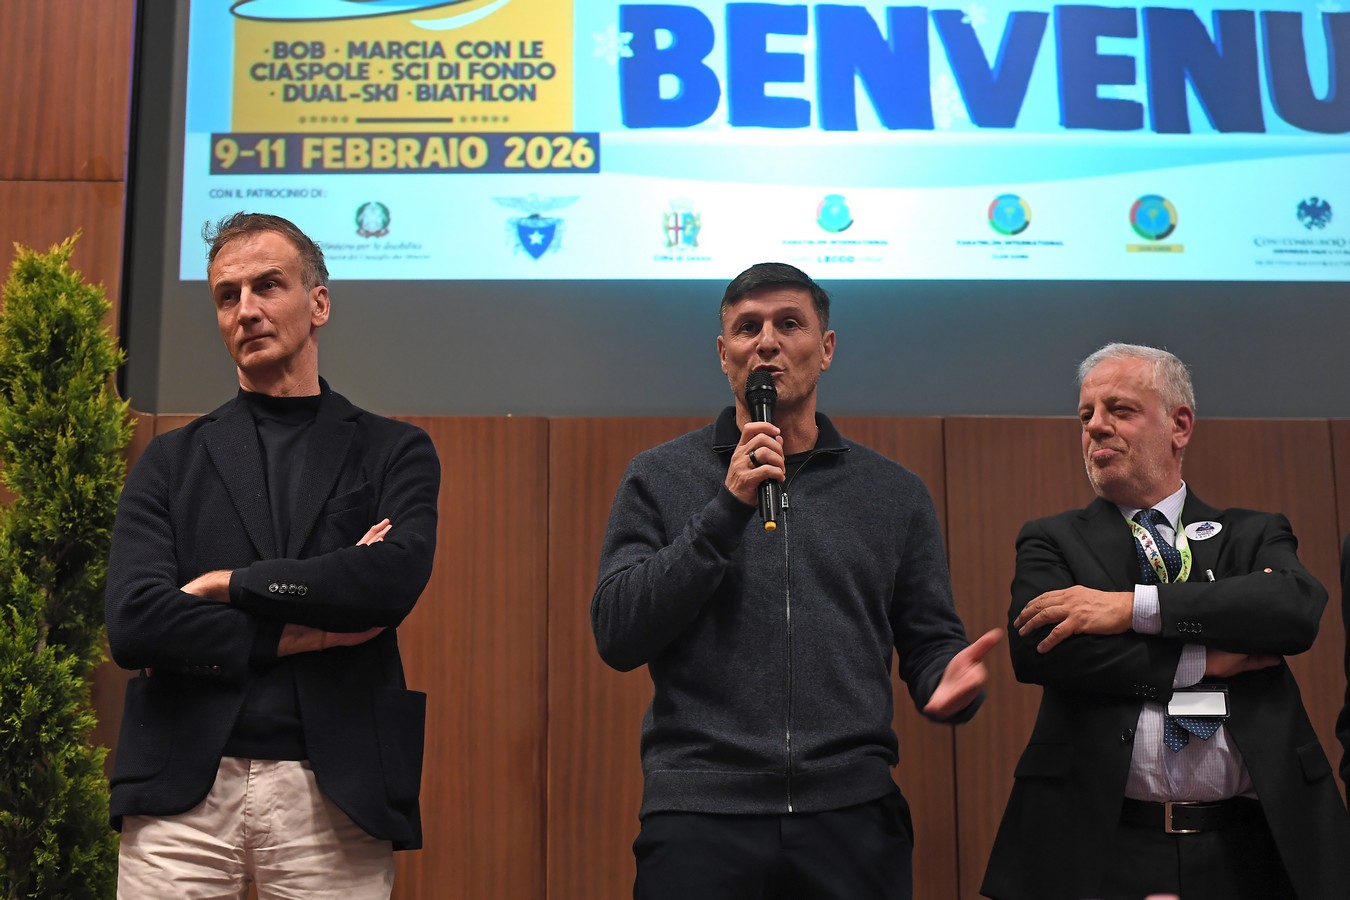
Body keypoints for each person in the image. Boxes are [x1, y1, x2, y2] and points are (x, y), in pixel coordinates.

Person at [591, 262, 1001, 900]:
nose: (767, 343)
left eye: (789, 324)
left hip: (851, 817)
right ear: (723, 353)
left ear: (826, 348)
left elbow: (929, 642)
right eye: (747, 328)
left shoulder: (893, 493)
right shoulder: (659, 477)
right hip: (701, 816)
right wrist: (726, 508)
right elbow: (618, 632)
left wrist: (947, 680)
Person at [104, 213, 440, 898]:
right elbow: (136, 623)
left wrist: (228, 584)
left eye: (268, 285)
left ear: (318, 303)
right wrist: (304, 632)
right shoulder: (170, 461)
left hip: (335, 790)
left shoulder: (392, 451)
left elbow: (389, 581)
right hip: (179, 795)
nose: (247, 310)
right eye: (227, 296)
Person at [981, 343, 1350, 900]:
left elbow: (1293, 610)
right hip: (1102, 844)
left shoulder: (1252, 533)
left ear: (1179, 426)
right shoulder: (1053, 540)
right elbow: (1041, 649)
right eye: (1086, 415)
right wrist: (1203, 660)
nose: (1095, 426)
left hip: (1254, 843)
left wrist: (1131, 608)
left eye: (1120, 410)